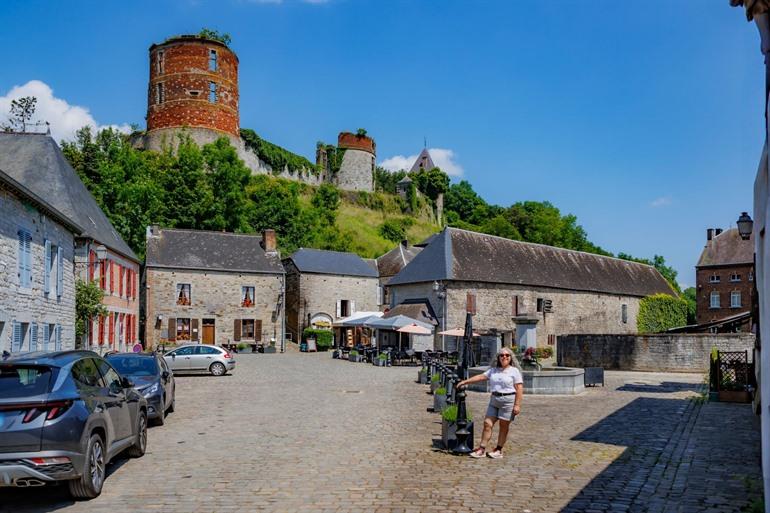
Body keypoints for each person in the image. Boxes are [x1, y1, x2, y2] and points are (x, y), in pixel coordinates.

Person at [456, 347, 523, 459]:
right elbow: (481, 377)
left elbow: (519, 388)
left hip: (508, 401)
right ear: (498, 358)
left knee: (503, 426)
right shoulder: (493, 370)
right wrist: (465, 381)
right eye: (502, 355)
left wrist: (517, 405)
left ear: (511, 358)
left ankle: (499, 449)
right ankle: (481, 449)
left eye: (507, 355)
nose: (504, 357)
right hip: (494, 400)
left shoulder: (514, 371)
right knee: (487, 423)